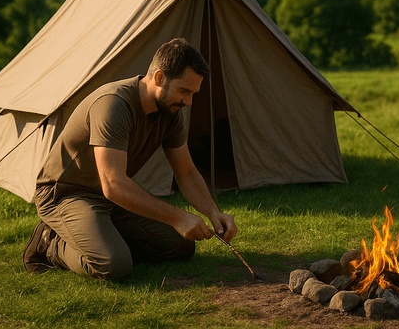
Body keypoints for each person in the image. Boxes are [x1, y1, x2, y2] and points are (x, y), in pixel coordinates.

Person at [23, 38, 238, 280]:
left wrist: (213, 212)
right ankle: (50, 243)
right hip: (65, 194)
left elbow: (186, 172)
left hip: (108, 199)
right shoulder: (113, 105)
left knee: (180, 245)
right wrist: (178, 217)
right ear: (158, 78)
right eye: (184, 91)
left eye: (192, 93)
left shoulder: (171, 112)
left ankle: (103, 236)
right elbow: (114, 185)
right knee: (113, 264)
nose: (188, 102)